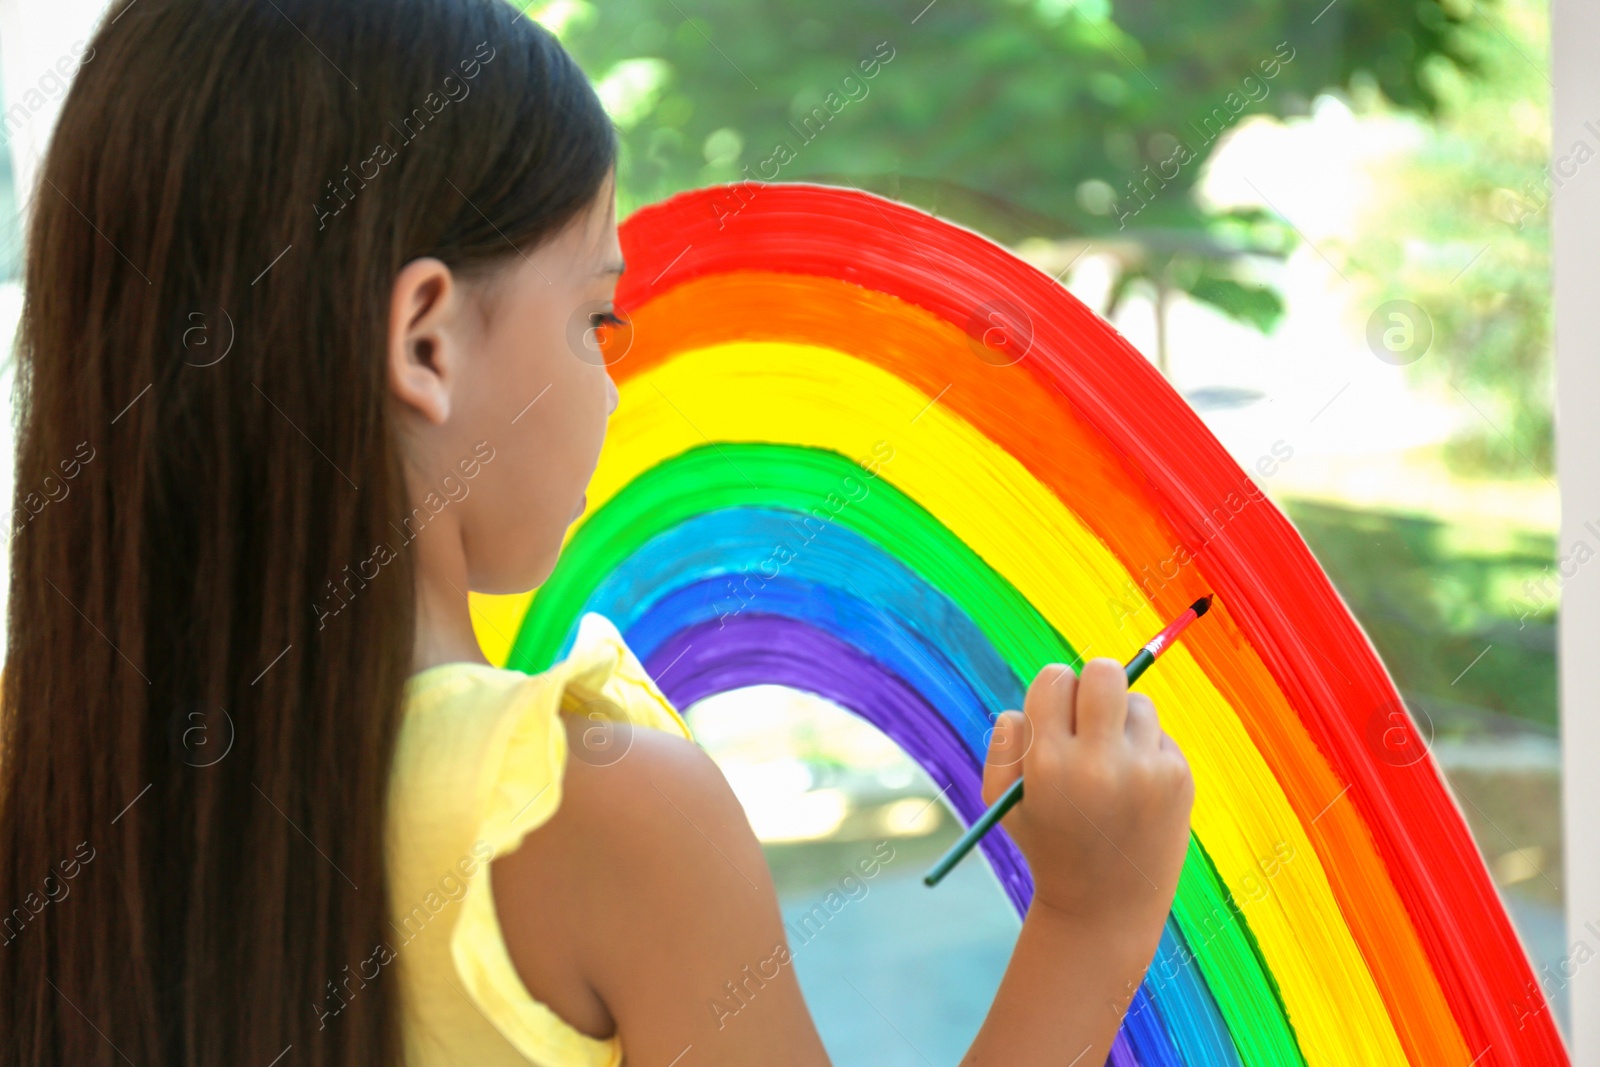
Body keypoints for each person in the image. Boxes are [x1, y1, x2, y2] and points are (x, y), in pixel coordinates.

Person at [0, 0, 1194, 1063]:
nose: (613, 387)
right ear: (425, 340)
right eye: (594, 320)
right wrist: (1088, 922)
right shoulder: (594, 811)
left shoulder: (46, 762)